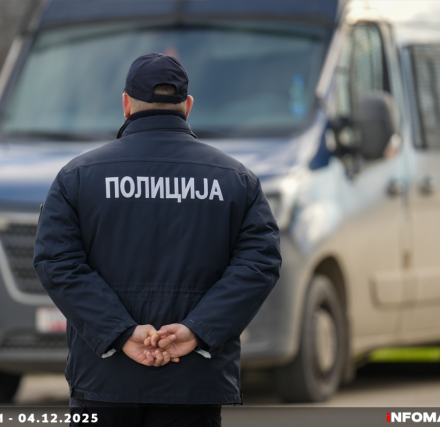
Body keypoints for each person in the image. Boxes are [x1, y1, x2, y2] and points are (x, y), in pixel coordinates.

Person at [34, 53, 281, 426]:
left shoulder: (77, 177)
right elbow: (260, 263)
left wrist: (121, 333)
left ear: (125, 104)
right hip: (194, 380)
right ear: (188, 106)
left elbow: (56, 261)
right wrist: (197, 331)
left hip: (104, 379)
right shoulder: (236, 180)